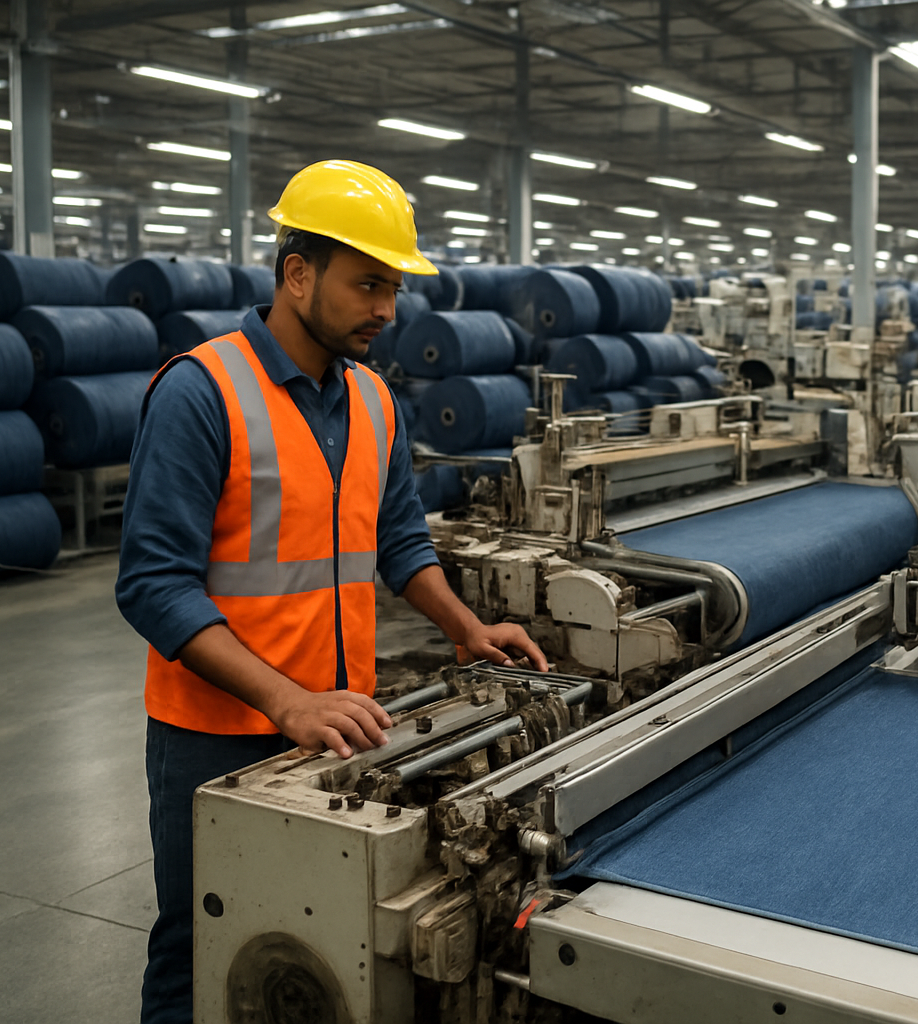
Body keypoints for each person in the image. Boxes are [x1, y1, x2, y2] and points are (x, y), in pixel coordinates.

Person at [116, 159, 547, 1024]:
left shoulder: (375, 400)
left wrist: (466, 627)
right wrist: (286, 699)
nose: (386, 309)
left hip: (340, 723)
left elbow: (399, 543)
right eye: (367, 284)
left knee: (310, 947)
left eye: (394, 289)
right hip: (216, 733)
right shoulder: (203, 391)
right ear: (297, 274)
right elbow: (152, 585)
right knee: (200, 944)